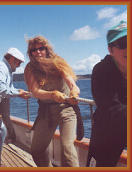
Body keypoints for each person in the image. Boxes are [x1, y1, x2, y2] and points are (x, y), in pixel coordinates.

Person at [24, 35, 82, 167]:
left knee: (67, 148)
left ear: (47, 49)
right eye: (34, 50)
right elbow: (35, 91)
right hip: (46, 112)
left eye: (41, 48)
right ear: (30, 53)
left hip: (66, 109)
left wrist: (74, 93)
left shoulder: (58, 62)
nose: (38, 52)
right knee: (37, 150)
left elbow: (72, 84)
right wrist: (53, 94)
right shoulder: (30, 68)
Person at [86, 21, 127, 167]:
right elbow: (110, 107)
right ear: (111, 50)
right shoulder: (101, 70)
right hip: (107, 130)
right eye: (123, 43)